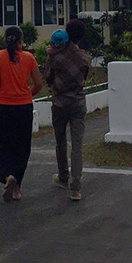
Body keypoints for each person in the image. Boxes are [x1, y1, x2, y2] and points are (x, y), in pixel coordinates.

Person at [0, 26, 44, 202]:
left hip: (3, 108)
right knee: (21, 147)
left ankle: (7, 176)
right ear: (21, 41)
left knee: (2, 146)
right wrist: (27, 94)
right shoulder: (29, 58)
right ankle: (17, 187)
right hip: (23, 108)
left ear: (5, 41)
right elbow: (39, 84)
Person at [44, 20, 92, 202]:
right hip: (78, 104)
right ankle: (76, 188)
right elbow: (84, 79)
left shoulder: (54, 56)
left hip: (59, 103)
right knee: (77, 145)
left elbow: (48, 78)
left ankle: (63, 176)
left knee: (61, 141)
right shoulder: (85, 58)